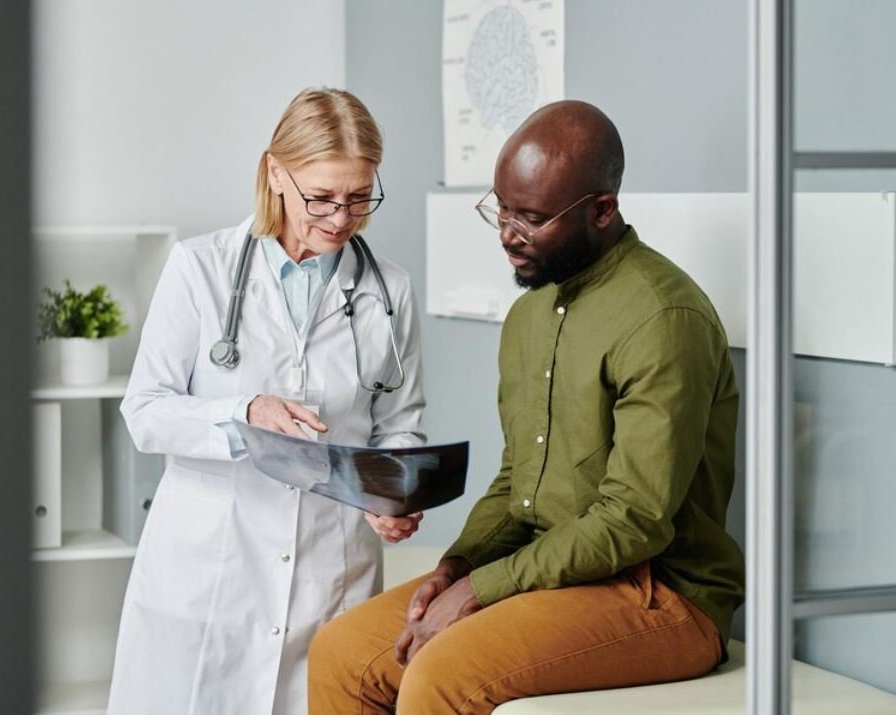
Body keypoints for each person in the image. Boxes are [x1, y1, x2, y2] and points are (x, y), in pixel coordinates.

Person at [308, 100, 746, 713]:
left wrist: (483, 588)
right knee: (343, 653)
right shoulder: (529, 315)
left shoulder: (662, 319)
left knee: (441, 676)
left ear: (602, 210)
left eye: (532, 217)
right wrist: (457, 565)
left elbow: (634, 521)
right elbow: (522, 480)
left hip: (660, 594)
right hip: (549, 572)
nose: (507, 233)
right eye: (502, 208)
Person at [106, 87, 426, 715]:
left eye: (360, 197)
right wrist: (243, 412)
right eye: (323, 197)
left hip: (331, 571)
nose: (341, 217)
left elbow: (400, 424)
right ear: (276, 174)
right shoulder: (199, 269)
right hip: (211, 571)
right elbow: (144, 412)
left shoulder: (389, 289)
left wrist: (395, 490)